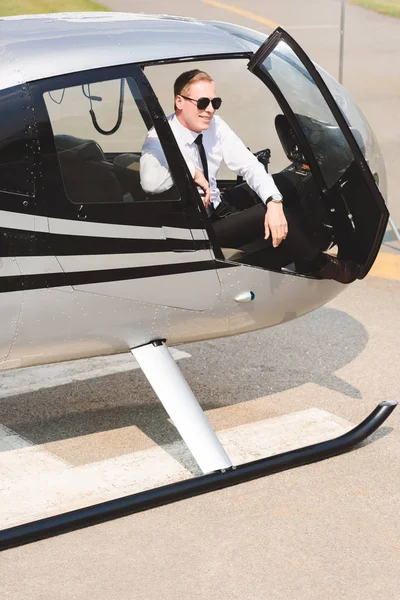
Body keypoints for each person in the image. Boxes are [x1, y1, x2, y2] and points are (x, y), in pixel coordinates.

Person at [140, 69, 359, 283]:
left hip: (219, 206)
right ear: (179, 101)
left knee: (290, 180)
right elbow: (150, 182)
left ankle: (308, 243)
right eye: (202, 102)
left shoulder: (214, 125)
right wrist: (190, 171)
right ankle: (317, 263)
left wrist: (274, 202)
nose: (209, 110)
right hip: (198, 228)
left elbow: (250, 166)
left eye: (215, 103)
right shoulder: (159, 139)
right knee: (263, 211)